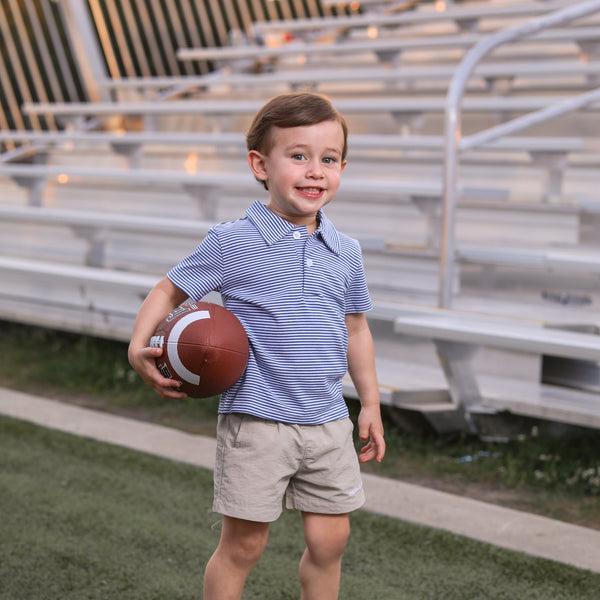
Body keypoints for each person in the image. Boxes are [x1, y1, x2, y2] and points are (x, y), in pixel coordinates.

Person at [128, 91, 385, 600]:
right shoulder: (233, 241)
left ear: (342, 167)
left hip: (328, 419)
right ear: (259, 165)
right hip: (257, 421)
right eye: (298, 156)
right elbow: (170, 289)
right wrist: (140, 343)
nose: (315, 171)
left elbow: (356, 329)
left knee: (331, 539)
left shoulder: (346, 251)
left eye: (328, 159)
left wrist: (371, 403)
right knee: (244, 545)